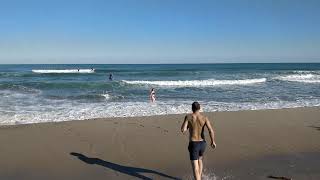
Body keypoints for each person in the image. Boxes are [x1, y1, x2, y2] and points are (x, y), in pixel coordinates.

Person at [181, 102, 216, 180]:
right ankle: (199, 177)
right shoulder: (205, 118)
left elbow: (183, 130)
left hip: (194, 144)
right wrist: (212, 141)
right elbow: (211, 130)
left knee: (195, 168)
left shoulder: (188, 117)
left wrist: (189, 127)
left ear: (192, 108)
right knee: (200, 159)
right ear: (199, 108)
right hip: (202, 144)